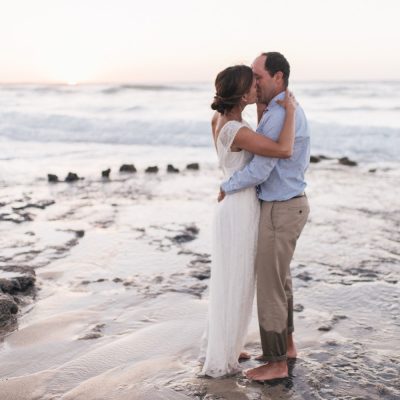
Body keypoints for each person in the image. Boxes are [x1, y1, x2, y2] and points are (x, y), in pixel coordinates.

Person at [199, 64, 297, 378]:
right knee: (238, 277)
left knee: (229, 276)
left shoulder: (220, 119)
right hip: (240, 206)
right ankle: (224, 352)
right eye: (252, 85)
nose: (257, 87)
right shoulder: (238, 131)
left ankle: (228, 344)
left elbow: (234, 157)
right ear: (243, 94)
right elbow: (282, 149)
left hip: (231, 202)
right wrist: (290, 112)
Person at [219, 52, 310, 381]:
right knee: (281, 281)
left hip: (281, 207)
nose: (254, 83)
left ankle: (276, 363)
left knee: (271, 285)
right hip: (289, 203)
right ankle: (286, 347)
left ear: (279, 78)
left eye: (258, 76)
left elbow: (261, 167)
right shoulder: (279, 110)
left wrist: (227, 186)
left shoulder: (278, 114)